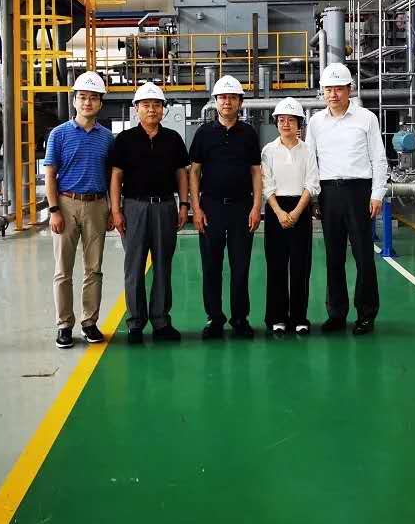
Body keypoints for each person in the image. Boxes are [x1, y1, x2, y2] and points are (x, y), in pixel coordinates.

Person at [306, 62, 387, 336]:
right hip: (328, 193)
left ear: (349, 89)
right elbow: (311, 162)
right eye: (328, 89)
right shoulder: (316, 123)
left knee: (363, 256)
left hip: (359, 192)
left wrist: (377, 194)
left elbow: (378, 158)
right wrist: (314, 198)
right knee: (334, 256)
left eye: (338, 89)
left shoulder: (366, 118)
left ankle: (366, 314)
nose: (333, 94)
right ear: (323, 91)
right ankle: (336, 314)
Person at [110, 82, 190, 345]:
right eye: (146, 105)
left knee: (163, 265)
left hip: (165, 206)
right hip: (134, 207)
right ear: (136, 109)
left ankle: (161, 322)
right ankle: (135, 323)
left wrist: (184, 204)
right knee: (134, 267)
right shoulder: (125, 140)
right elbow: (116, 176)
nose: (152, 109)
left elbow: (181, 173)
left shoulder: (173, 139)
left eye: (157, 105)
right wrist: (116, 210)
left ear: (163, 109)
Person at [44, 71, 114, 349]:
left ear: (100, 103)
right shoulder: (59, 134)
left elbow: (111, 176)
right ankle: (64, 325)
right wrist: (54, 210)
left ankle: (89, 322)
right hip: (66, 203)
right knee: (63, 270)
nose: (87, 102)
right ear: (74, 101)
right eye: (83, 97)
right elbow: (50, 175)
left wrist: (111, 208)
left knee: (94, 269)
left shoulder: (107, 138)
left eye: (93, 98)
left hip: (97, 205)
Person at [189, 75, 262, 339]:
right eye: (222, 97)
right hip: (211, 208)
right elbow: (194, 172)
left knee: (240, 266)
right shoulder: (204, 134)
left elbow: (256, 172)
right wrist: (196, 209)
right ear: (215, 101)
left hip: (242, 207)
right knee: (211, 266)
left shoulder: (249, 134)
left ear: (240, 102)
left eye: (232, 98)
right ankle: (215, 319)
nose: (227, 102)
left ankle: (240, 318)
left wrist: (257, 206)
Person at [261, 97, 319, 335]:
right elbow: (267, 185)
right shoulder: (268, 151)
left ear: (299, 124)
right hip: (275, 209)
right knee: (276, 266)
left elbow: (312, 183)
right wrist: (279, 212)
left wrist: (296, 212)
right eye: (281, 120)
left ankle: (299, 318)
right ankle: (277, 317)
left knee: (300, 266)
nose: (286, 124)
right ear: (276, 123)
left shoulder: (308, 150)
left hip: (300, 209)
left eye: (291, 120)